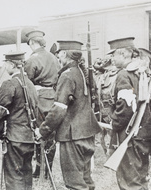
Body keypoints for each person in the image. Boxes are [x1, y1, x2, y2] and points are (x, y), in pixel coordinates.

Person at [38, 40, 101, 190]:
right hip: (87, 133)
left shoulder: (67, 76)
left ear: (65, 54)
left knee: (75, 184)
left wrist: (42, 130)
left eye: (59, 54)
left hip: (72, 135)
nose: (58, 58)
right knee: (86, 180)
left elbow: (59, 109)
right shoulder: (82, 72)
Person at [108, 37, 151, 190]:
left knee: (129, 182)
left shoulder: (124, 74)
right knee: (140, 180)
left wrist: (114, 124)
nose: (112, 59)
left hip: (130, 135)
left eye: (113, 55)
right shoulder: (140, 73)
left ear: (123, 54)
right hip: (143, 134)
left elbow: (126, 107)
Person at [0, 51, 38, 190]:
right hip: (29, 137)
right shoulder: (30, 84)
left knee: (14, 176)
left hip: (14, 138)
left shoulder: (9, 83)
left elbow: (0, 112)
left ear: (12, 64)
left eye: (6, 63)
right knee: (26, 174)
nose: (5, 67)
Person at [24, 30, 61, 178]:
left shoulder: (32, 59)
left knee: (38, 133)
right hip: (53, 97)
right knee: (50, 134)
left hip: (38, 98)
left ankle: (39, 169)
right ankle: (48, 170)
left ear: (33, 43)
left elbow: (27, 82)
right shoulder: (54, 58)